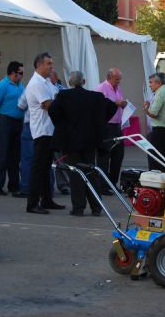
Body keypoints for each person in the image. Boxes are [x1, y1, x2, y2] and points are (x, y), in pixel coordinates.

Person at [49, 71, 117, 216]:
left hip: (72, 141)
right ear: (84, 81)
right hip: (90, 141)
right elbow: (112, 107)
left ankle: (78, 207)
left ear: (69, 82)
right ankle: (96, 207)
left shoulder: (64, 96)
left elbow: (53, 111)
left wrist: (63, 125)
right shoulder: (95, 97)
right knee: (91, 172)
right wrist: (100, 122)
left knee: (75, 174)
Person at [25, 53, 66, 214]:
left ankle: (47, 199)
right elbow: (50, 105)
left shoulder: (47, 82)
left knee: (46, 168)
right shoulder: (36, 83)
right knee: (38, 168)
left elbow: (57, 98)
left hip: (50, 130)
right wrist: (53, 102)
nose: (51, 67)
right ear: (39, 65)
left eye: (52, 63)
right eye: (48, 64)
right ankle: (32, 203)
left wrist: (55, 102)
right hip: (42, 131)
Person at [0, 61, 25, 196]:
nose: (22, 75)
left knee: (15, 156)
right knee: (3, 154)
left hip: (18, 121)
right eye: (21, 73)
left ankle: (14, 185)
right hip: (4, 120)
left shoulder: (20, 85)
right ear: (13, 73)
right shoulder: (2, 85)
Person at [95, 68, 127, 195]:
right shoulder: (101, 88)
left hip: (117, 125)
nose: (119, 81)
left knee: (118, 155)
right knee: (104, 156)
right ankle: (102, 186)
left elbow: (120, 101)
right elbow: (98, 106)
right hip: (106, 125)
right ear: (109, 77)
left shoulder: (117, 88)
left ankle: (112, 183)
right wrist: (115, 103)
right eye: (117, 78)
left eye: (120, 79)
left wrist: (123, 103)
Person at [143, 73, 165, 172]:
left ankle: (156, 182)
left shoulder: (160, 92)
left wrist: (146, 108)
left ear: (158, 83)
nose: (150, 85)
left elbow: (153, 113)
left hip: (159, 131)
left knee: (156, 159)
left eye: (151, 82)